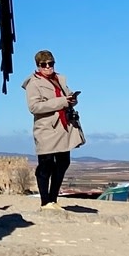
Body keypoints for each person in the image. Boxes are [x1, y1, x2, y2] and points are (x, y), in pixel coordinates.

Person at [24, 49, 82, 209]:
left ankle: (53, 199)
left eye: (51, 64)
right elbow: (34, 107)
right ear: (38, 66)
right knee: (45, 165)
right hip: (47, 129)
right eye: (44, 65)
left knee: (63, 162)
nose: (48, 67)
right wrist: (62, 102)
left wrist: (72, 100)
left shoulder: (59, 79)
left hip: (63, 127)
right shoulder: (33, 83)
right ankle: (45, 202)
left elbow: (66, 96)